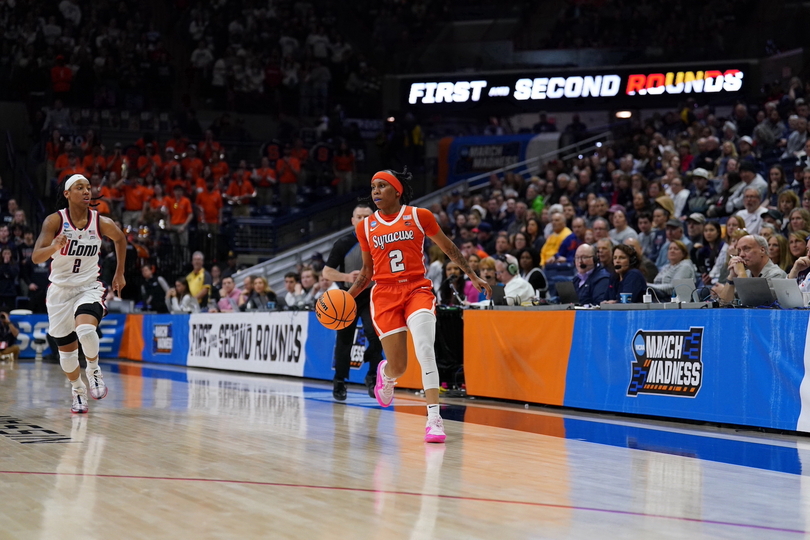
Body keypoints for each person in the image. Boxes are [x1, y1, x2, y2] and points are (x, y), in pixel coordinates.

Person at [347, 169, 490, 443]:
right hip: (385, 295)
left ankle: (434, 419)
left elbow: (449, 248)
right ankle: (386, 375)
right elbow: (366, 272)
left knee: (425, 347)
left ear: (397, 190)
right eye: (373, 186)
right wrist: (346, 297)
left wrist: (472, 275)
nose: (375, 191)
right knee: (399, 366)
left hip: (416, 289)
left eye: (382, 186)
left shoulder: (419, 216)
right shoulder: (365, 227)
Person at [31, 174, 127, 413]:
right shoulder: (54, 221)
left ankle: (94, 370)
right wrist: (54, 246)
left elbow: (120, 239)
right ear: (67, 194)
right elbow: (36, 257)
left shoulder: (100, 221)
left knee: (85, 329)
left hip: (88, 286)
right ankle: (77, 390)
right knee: (68, 355)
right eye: (79, 188)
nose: (86, 192)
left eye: (88, 188)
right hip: (60, 292)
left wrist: (119, 273)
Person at [712, 235, 787, 304]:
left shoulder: (776, 275)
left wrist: (741, 273)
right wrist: (731, 276)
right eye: (739, 250)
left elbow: (752, 305)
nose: (741, 255)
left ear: (762, 250)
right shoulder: (747, 274)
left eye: (746, 249)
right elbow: (723, 304)